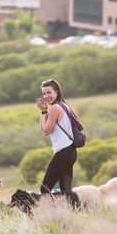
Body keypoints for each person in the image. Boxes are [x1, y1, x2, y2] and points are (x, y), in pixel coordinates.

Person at [35, 79, 80, 207]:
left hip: (63, 152)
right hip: (71, 151)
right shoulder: (65, 105)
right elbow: (45, 128)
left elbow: (45, 131)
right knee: (66, 189)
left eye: (49, 92)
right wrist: (43, 111)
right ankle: (74, 210)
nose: (46, 96)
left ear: (56, 91)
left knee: (45, 188)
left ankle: (53, 211)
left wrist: (44, 111)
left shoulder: (55, 108)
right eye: (44, 93)